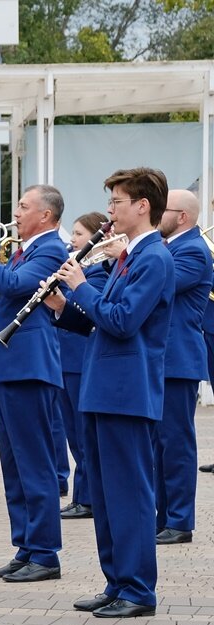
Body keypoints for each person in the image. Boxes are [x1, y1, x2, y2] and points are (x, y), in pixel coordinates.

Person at [45, 167, 174, 618]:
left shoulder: (154, 258)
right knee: (103, 490)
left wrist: (81, 286)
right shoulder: (127, 257)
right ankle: (116, 581)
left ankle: (138, 589)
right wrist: (65, 306)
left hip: (127, 390)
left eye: (118, 202)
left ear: (143, 206)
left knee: (129, 492)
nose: (112, 211)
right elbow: (102, 319)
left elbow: (122, 321)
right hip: (104, 388)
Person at [0, 184, 69, 584]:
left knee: (34, 463)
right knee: (15, 463)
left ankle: (46, 553)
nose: (16, 213)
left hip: (28, 367)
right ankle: (26, 545)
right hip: (6, 367)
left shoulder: (51, 248)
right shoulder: (25, 248)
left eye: (23, 206)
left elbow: (15, 286)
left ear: (46, 216)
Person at [151, 189, 210, 545]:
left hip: (178, 360)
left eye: (164, 210)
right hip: (162, 358)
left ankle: (180, 521)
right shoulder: (171, 247)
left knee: (176, 443)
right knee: (159, 444)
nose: (157, 215)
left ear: (183, 216)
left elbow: (159, 285)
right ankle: (163, 516)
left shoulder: (191, 250)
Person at [58, 212, 111, 521]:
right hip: (66, 357)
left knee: (81, 434)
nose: (73, 240)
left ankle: (87, 497)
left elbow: (90, 310)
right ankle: (83, 495)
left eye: (78, 234)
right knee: (73, 435)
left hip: (80, 358)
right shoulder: (81, 269)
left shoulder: (99, 273)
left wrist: (71, 287)